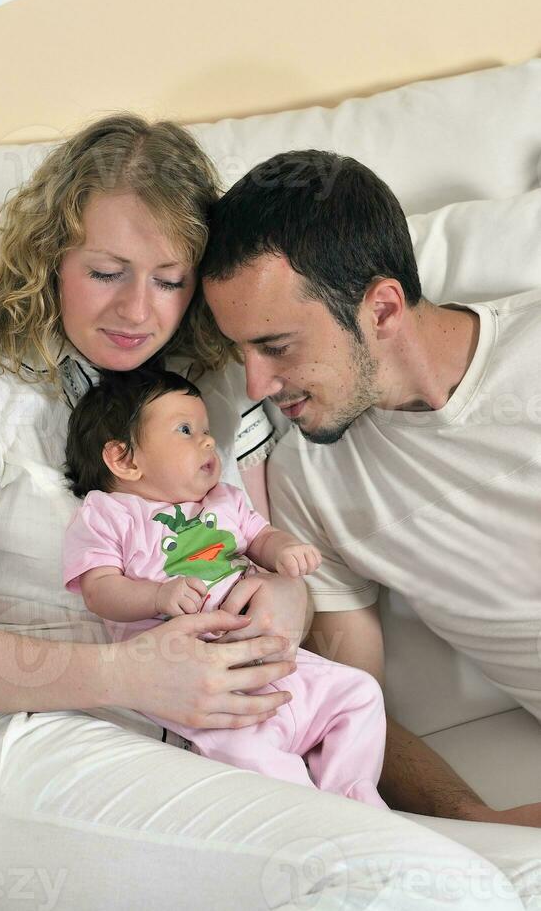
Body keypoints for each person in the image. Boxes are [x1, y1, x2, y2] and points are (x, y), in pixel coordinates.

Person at [0, 115, 517, 911]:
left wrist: (283, 601)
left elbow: (261, 562)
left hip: (246, 734)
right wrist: (127, 674)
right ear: (50, 255)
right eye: (107, 271)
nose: (136, 311)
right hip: (65, 745)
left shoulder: (221, 384)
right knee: (421, 880)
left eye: (168, 278)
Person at [200, 148, 541, 830]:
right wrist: (473, 815)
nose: (258, 387)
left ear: (382, 309)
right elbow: (346, 698)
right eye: (240, 353)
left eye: (276, 345)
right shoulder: (308, 487)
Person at [62, 367, 388, 806]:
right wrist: (157, 596)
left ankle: (354, 795)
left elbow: (259, 537)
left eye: (207, 430)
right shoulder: (107, 515)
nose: (208, 441)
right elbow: (99, 589)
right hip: (204, 686)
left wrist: (284, 550)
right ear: (124, 459)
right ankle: (317, 814)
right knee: (249, 755)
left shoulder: (225, 499)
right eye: (185, 430)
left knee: (360, 693)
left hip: (278, 662)